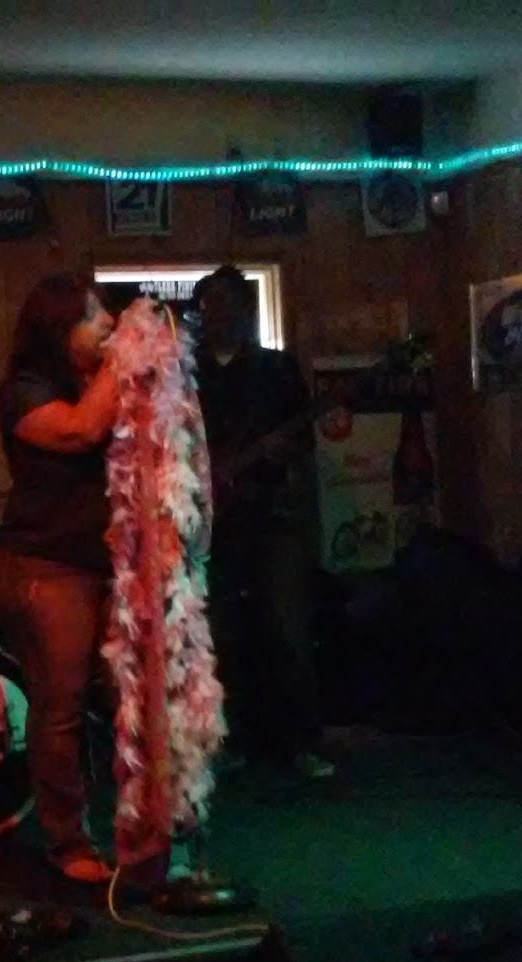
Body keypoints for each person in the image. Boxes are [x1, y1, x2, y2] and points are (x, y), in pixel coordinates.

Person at [0, 273, 123, 885]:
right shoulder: (25, 390)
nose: (109, 324)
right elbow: (78, 430)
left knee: (132, 697)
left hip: (112, 562)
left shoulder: (98, 384)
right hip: (50, 563)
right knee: (61, 704)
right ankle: (67, 841)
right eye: (94, 316)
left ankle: (146, 831)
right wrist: (125, 359)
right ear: (58, 329)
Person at [190, 265, 335, 779]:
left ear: (246, 309)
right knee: (220, 637)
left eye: (224, 303)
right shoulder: (188, 374)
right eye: (208, 305)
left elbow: (304, 439)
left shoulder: (278, 369)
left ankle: (301, 743)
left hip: (272, 516)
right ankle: (230, 741)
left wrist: (280, 450)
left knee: (288, 631)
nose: (215, 314)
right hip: (212, 524)